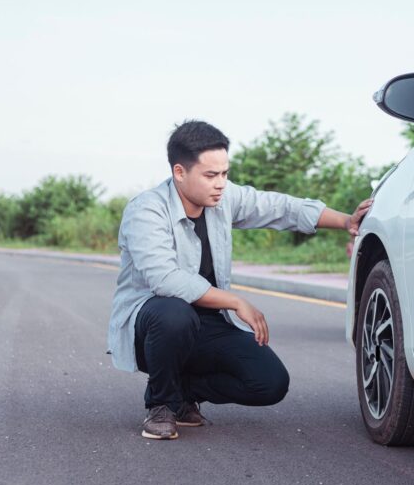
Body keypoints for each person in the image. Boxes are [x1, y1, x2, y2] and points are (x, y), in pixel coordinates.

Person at [108, 120, 372, 440]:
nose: (220, 183)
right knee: (174, 313)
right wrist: (236, 301)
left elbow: (279, 208)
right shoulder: (146, 210)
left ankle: (180, 392)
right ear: (180, 172)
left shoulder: (223, 198)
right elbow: (165, 279)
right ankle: (161, 405)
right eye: (210, 175)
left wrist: (346, 221)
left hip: (207, 323)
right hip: (153, 325)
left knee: (270, 382)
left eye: (224, 173)